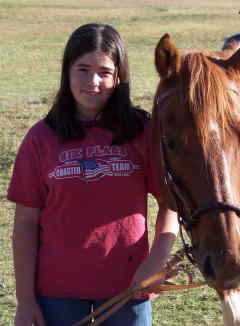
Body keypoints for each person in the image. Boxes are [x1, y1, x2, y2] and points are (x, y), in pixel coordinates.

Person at [8, 23, 178, 326]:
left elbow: (171, 204)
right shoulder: (41, 138)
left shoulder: (141, 131)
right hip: (56, 297)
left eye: (104, 72)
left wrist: (157, 260)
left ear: (119, 77)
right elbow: (25, 223)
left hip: (128, 291)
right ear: (67, 71)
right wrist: (24, 300)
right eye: (83, 70)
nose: (93, 81)